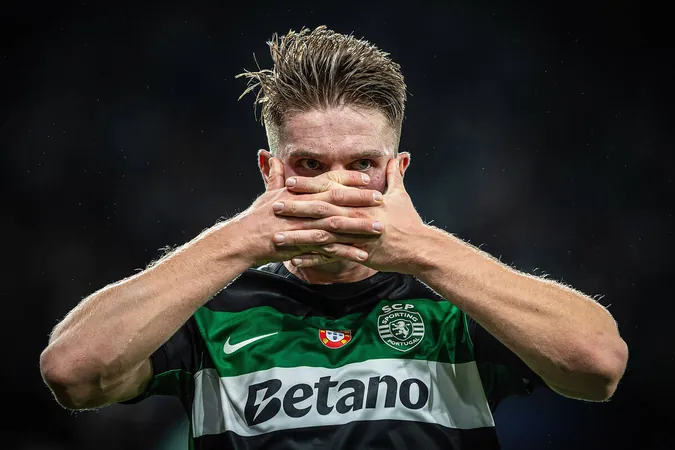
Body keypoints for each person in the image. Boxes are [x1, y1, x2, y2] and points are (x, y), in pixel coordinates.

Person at [39, 26, 628, 449]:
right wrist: (240, 241)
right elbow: (72, 372)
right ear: (270, 172)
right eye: (311, 165)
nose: (336, 186)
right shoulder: (211, 308)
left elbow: (598, 365)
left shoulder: (458, 299)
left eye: (362, 164)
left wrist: (421, 249)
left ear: (397, 172)